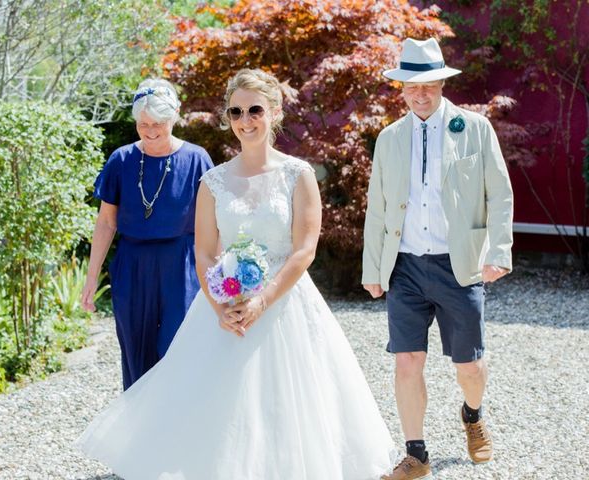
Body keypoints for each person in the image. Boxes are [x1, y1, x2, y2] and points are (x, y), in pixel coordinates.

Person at [76, 68, 396, 479]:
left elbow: (304, 249)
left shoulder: (298, 175)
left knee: (290, 403)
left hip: (286, 306)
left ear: (275, 111)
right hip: (225, 306)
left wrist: (264, 298)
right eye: (236, 111)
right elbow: (205, 251)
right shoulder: (213, 181)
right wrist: (220, 304)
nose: (246, 120)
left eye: (255, 110)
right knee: (217, 407)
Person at [362, 38, 513, 479]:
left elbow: (499, 194)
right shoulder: (389, 139)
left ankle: (472, 413)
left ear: (443, 83)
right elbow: (377, 205)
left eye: (429, 84)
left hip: (458, 263)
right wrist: (374, 268)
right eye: (412, 85)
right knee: (407, 360)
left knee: (469, 365)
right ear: (402, 88)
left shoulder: (474, 128)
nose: (420, 93)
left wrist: (499, 251)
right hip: (405, 265)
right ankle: (417, 454)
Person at [81, 79, 214, 390]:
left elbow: (213, 224)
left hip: (181, 264)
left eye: (158, 124)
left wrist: (219, 277)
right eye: (143, 125)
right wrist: (91, 277)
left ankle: (178, 425)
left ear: (175, 117)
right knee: (135, 352)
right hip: (132, 263)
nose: (151, 132)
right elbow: (106, 223)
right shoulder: (121, 160)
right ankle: (139, 433)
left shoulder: (197, 160)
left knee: (178, 348)